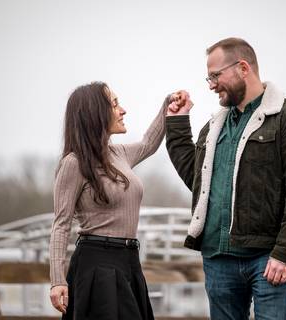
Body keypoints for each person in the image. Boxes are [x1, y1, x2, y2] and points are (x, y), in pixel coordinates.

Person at [165, 37, 286, 319]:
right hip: (217, 258)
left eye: (215, 75)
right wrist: (177, 123)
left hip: (268, 258)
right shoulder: (213, 126)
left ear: (243, 68)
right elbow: (199, 184)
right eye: (208, 77)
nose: (210, 84)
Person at [49, 81, 176, 319]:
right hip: (97, 267)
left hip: (129, 262)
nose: (123, 110)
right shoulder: (73, 163)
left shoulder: (119, 154)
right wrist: (57, 281)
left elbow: (149, 142)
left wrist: (167, 105)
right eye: (115, 104)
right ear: (96, 113)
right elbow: (61, 223)